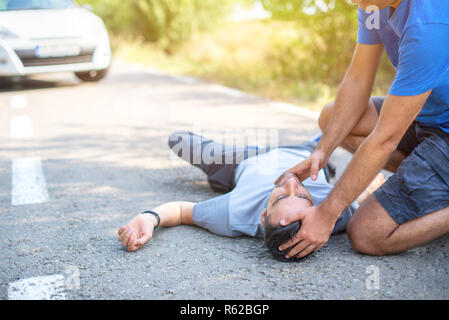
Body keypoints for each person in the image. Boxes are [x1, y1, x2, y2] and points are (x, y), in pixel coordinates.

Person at [278, 0, 449, 259]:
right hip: (427, 115)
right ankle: (426, 180)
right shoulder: (373, 6)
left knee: (367, 233)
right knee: (330, 117)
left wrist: (327, 213)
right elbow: (358, 80)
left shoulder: (429, 26)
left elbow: (385, 139)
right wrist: (322, 152)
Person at [118, 131, 384, 261]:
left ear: (263, 215)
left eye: (280, 197)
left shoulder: (233, 213)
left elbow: (179, 211)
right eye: (305, 197)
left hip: (244, 160)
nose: (291, 183)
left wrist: (149, 218)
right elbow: (375, 181)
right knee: (343, 120)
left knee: (179, 140)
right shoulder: (336, 213)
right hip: (308, 155)